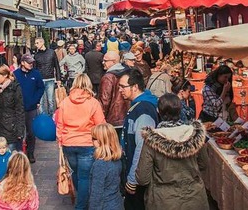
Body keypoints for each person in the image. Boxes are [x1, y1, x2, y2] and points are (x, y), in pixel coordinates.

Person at [135, 94, 208, 209]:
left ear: (158, 111)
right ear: (180, 110)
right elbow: (204, 164)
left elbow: (142, 178)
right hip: (194, 198)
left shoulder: (151, 141)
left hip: (163, 201)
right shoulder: (195, 134)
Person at [55, 74, 106, 210]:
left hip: (68, 143)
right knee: (84, 177)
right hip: (87, 143)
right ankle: (81, 205)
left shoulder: (65, 102)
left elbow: (60, 124)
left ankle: (82, 198)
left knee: (76, 172)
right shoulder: (93, 103)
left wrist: (60, 140)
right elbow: (100, 124)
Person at [119, 70, 158, 210]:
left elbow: (142, 147)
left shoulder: (144, 110)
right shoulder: (138, 105)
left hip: (138, 179)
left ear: (134, 87)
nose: (120, 90)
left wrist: (132, 179)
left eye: (123, 86)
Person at [14, 54, 45, 163]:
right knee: (19, 132)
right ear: (22, 62)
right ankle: (18, 153)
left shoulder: (36, 74)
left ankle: (30, 152)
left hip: (31, 108)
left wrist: (35, 100)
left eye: (32, 62)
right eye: (28, 62)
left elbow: (41, 88)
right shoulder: (15, 74)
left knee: (31, 132)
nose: (31, 64)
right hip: (18, 108)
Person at [88, 123, 124, 210]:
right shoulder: (117, 159)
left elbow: (96, 194)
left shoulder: (100, 165)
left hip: (105, 206)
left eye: (93, 138)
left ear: (101, 141)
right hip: (117, 203)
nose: (91, 141)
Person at [98, 51, 130, 137]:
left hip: (113, 119)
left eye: (105, 60)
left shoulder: (108, 77)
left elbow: (104, 101)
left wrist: (100, 120)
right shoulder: (128, 72)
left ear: (114, 61)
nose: (103, 62)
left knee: (112, 147)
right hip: (127, 116)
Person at [33, 37, 61, 116]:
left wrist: (58, 78)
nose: (36, 45)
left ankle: (51, 116)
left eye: (37, 43)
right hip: (40, 80)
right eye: (35, 43)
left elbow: (56, 65)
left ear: (42, 43)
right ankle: (43, 118)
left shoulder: (51, 52)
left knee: (50, 100)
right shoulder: (36, 55)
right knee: (41, 101)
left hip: (50, 78)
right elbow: (35, 68)